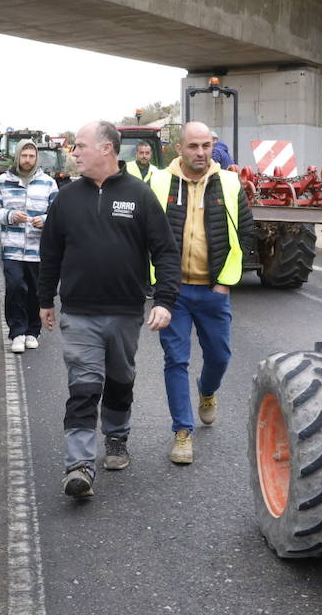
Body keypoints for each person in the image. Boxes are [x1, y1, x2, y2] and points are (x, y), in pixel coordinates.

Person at [38, 120, 180, 498]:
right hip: (79, 312)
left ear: (106, 149)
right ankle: (79, 465)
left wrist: (165, 301)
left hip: (125, 312)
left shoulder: (139, 196)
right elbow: (50, 253)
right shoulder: (65, 197)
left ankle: (116, 437)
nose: (75, 152)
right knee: (83, 387)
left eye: (81, 145)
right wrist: (43, 300)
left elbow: (165, 251)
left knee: (120, 381)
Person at [150, 121, 255, 465]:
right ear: (178, 148)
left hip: (214, 290)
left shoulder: (228, 182)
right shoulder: (160, 181)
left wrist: (226, 281)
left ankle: (207, 392)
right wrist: (156, 287)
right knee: (175, 360)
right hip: (174, 293)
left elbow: (245, 234)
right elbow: (145, 235)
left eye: (206, 146)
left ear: (213, 146)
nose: (200, 153)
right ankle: (183, 432)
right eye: (193, 146)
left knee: (220, 356)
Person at [0, 139, 59, 354]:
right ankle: (17, 332)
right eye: (24, 156)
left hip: (38, 250)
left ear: (37, 158)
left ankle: (32, 332)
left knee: (36, 292)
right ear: (17, 157)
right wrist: (10, 215)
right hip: (12, 248)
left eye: (32, 156)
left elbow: (58, 213)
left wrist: (45, 219)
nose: (27, 160)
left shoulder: (48, 183)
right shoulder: (2, 181)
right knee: (15, 287)